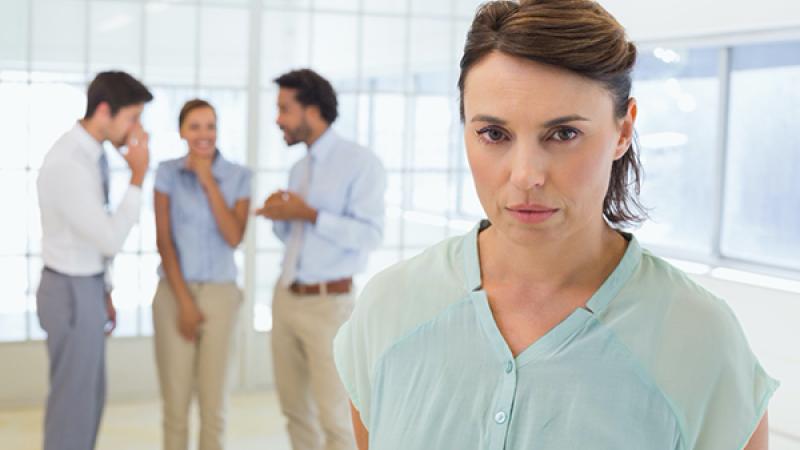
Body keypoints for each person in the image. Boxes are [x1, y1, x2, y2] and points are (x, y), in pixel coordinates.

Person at [333, 1, 778, 449]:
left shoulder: (699, 338)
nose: (526, 175)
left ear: (623, 131)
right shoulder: (389, 309)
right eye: (494, 134)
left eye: (563, 134)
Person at [255, 68, 386, 450]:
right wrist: (281, 215)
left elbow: (370, 234)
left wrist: (310, 213)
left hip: (329, 306)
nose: (278, 119)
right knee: (295, 412)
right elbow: (295, 236)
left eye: (284, 108)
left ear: (312, 110)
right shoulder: (300, 167)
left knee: (337, 418)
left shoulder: (360, 162)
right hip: (286, 299)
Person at [36, 71, 152, 450]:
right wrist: (138, 176)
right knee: (73, 405)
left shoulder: (91, 155)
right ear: (105, 110)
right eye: (132, 118)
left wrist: (105, 291)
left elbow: (93, 243)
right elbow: (108, 238)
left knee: (88, 399)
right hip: (69, 289)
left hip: (85, 285)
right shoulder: (70, 162)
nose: (136, 129)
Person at [152, 99, 252, 450]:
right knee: (176, 405)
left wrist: (208, 181)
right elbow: (164, 241)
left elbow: (234, 236)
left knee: (215, 406)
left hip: (221, 296)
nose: (203, 134)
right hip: (173, 294)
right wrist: (184, 302)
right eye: (194, 126)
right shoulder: (166, 173)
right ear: (181, 131)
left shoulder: (240, 176)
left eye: (210, 126)